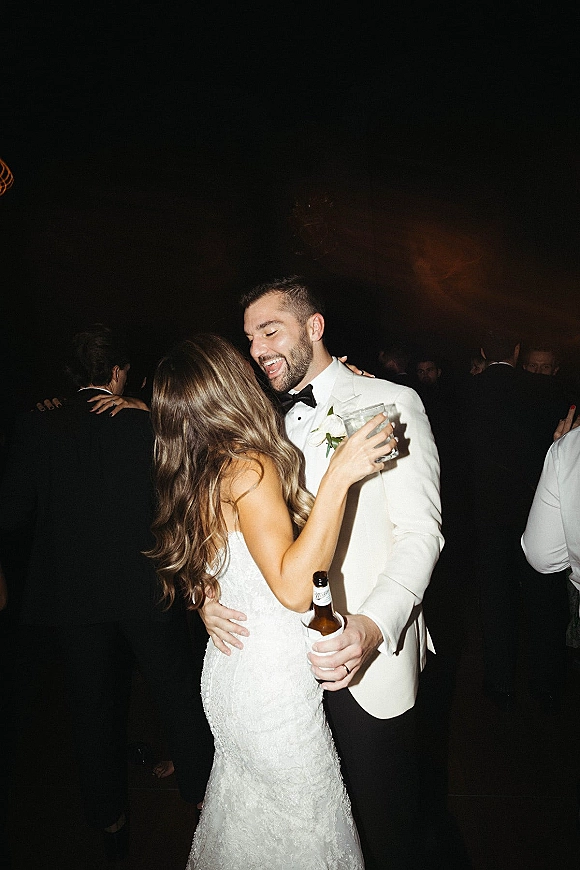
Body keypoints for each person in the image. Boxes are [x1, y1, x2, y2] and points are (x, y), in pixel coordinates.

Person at [203, 277, 443, 869]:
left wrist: (372, 625)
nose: (258, 349)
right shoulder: (259, 424)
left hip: (365, 660)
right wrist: (206, 593)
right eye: (250, 338)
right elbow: (231, 528)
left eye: (270, 331)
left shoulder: (388, 401)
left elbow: (421, 534)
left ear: (314, 327)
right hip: (283, 674)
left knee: (388, 829)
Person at [147, 334, 393, 869]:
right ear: (231, 383)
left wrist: (204, 600)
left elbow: (210, 569)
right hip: (270, 692)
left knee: (250, 826)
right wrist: (341, 474)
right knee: (306, 831)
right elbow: (293, 590)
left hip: (229, 673)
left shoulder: (198, 470)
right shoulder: (249, 468)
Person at [0, 324, 213, 864]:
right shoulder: (146, 423)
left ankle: (111, 826)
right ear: (117, 372)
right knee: (177, 694)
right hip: (146, 585)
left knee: (91, 709)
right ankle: (202, 801)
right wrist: (152, 413)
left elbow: (11, 513)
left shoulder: (36, 424)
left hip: (72, 597)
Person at [463, 331, 569, 713]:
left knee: (496, 598)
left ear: (482, 350)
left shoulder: (465, 391)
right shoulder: (546, 392)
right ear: (519, 352)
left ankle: (500, 682)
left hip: (486, 514)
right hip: (538, 510)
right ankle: (545, 684)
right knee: (544, 598)